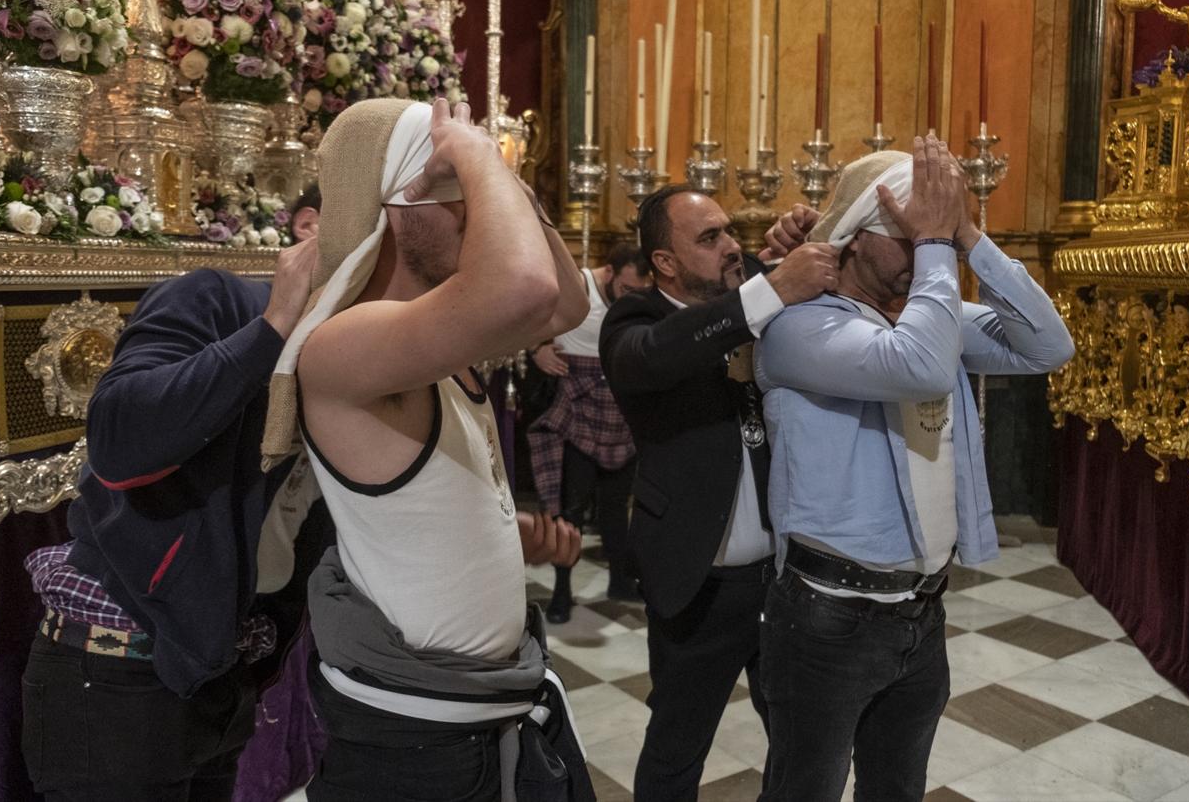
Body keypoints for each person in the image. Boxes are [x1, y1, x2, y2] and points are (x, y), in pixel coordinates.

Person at [261, 98, 593, 802]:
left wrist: (497, 174)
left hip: (476, 720)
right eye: (453, 194)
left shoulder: (434, 344)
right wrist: (475, 155)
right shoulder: (341, 345)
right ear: (394, 203)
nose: (477, 211)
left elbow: (563, 307)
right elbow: (526, 288)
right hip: (416, 754)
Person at [754, 137, 1074, 802]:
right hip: (827, 618)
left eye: (937, 238)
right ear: (857, 238)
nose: (933, 254)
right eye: (912, 237)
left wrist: (969, 235)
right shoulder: (799, 326)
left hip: (919, 613)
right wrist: (936, 246)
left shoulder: (925, 317)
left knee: (897, 789)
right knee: (801, 791)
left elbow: (1049, 346)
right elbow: (918, 366)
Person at [20, 190, 327, 800]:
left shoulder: (366, 355)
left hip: (216, 672)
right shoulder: (215, 297)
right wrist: (272, 329)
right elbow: (119, 439)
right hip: (114, 677)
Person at [598, 185, 837, 801]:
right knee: (678, 747)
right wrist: (773, 285)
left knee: (800, 742)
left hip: (786, 578)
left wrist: (803, 241)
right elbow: (657, 355)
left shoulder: (751, 288)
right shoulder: (636, 318)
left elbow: (801, 283)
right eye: (709, 238)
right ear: (666, 263)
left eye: (729, 230)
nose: (731, 245)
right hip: (698, 582)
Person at [529, 242, 650, 623]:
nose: (631, 298)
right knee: (572, 509)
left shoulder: (639, 293)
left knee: (616, 505)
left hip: (620, 407)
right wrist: (536, 350)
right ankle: (562, 594)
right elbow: (525, 314)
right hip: (578, 407)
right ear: (610, 272)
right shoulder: (577, 285)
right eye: (628, 290)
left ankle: (619, 580)